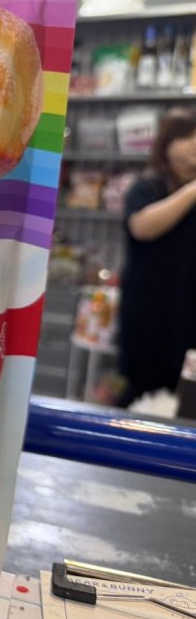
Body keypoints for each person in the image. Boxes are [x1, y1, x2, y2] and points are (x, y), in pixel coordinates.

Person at [117, 106, 196, 408]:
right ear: (166, 143)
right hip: (152, 310)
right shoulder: (148, 185)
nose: (195, 143)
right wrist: (191, 191)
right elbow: (142, 227)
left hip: (190, 309)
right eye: (187, 136)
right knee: (144, 391)